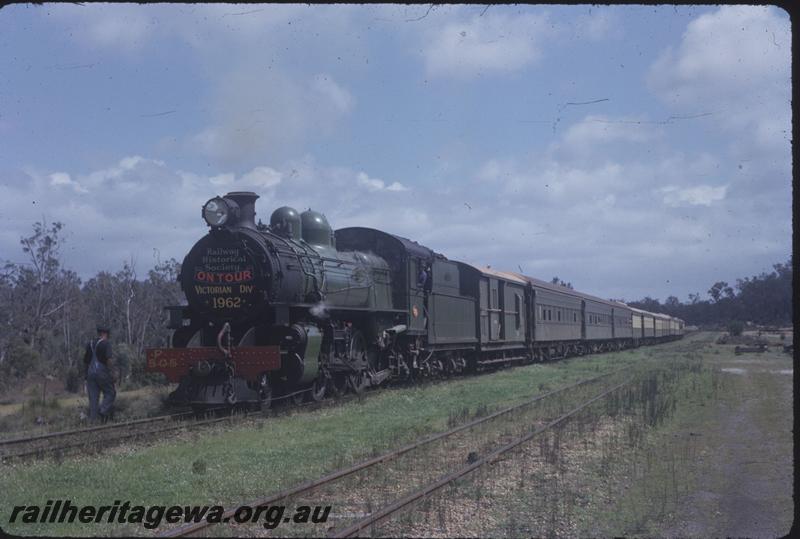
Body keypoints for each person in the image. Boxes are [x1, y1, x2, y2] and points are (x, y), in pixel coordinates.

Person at [83, 324, 116, 422]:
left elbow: (85, 362)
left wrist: (86, 375)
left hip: (90, 374)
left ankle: (93, 422)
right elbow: (109, 360)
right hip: (102, 373)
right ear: (105, 334)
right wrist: (112, 373)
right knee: (110, 393)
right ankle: (103, 410)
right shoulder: (106, 344)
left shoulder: (90, 344)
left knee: (93, 399)